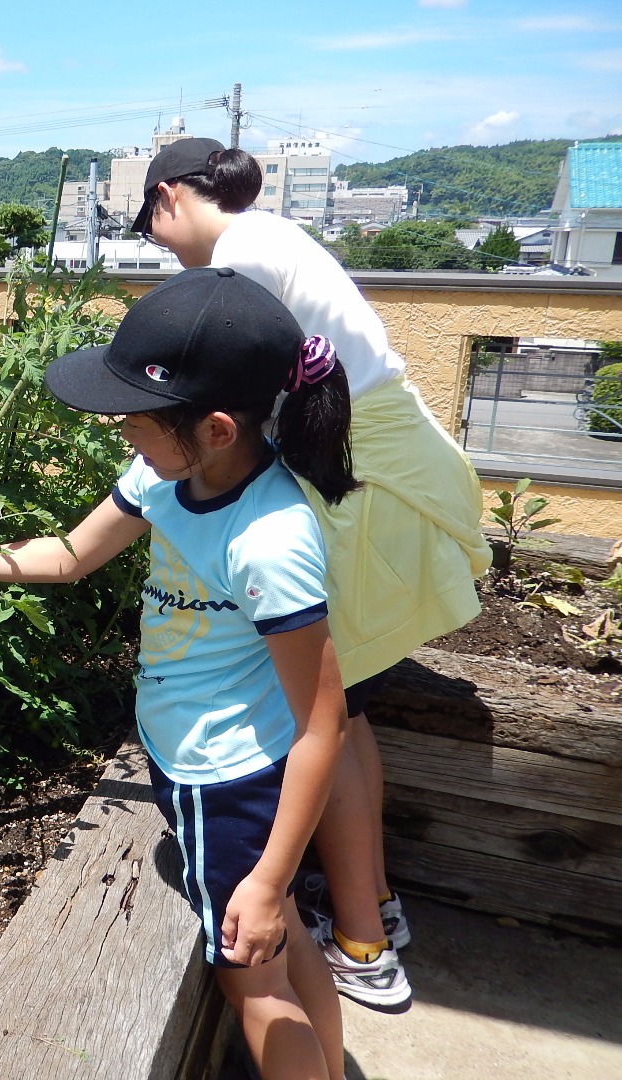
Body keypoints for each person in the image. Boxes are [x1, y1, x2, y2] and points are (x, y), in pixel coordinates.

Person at [0, 267, 352, 1080]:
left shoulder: (269, 538)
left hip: (224, 782)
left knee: (252, 987)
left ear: (218, 428)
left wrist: (264, 879)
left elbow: (322, 725)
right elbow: (71, 556)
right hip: (198, 762)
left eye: (133, 416)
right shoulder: (168, 473)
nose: (118, 428)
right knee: (286, 943)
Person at [134, 136, 491, 1010]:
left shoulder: (242, 254)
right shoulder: (274, 237)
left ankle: (365, 944)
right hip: (360, 466)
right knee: (349, 707)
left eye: (151, 223)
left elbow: (223, 384)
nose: (160, 244)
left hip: (355, 481)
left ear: (170, 195)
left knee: (328, 718)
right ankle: (374, 913)